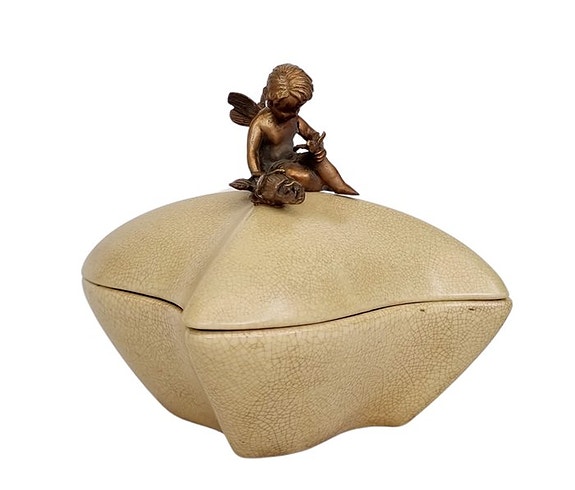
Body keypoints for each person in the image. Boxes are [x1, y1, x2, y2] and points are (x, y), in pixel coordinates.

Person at [245, 64, 358, 195]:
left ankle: (338, 185)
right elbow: (252, 153)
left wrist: (315, 144)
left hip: (293, 158)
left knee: (319, 160)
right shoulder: (260, 123)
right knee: (298, 175)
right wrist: (258, 176)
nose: (292, 114)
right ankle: (321, 184)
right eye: (286, 110)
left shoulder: (294, 118)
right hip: (274, 168)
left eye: (297, 108)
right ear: (270, 103)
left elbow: (311, 133)